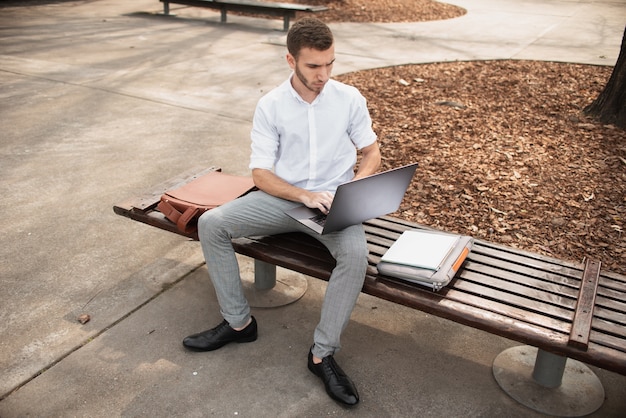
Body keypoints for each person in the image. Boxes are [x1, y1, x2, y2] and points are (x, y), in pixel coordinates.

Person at [182, 17, 381, 407]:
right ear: (290, 60)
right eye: (313, 66)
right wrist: (302, 196)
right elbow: (261, 173)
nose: (323, 74)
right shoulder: (271, 105)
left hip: (333, 206)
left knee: (356, 256)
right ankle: (239, 323)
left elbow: (371, 152)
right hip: (280, 199)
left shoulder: (349, 99)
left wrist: (354, 188)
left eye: (330, 64)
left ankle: (322, 353)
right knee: (212, 223)